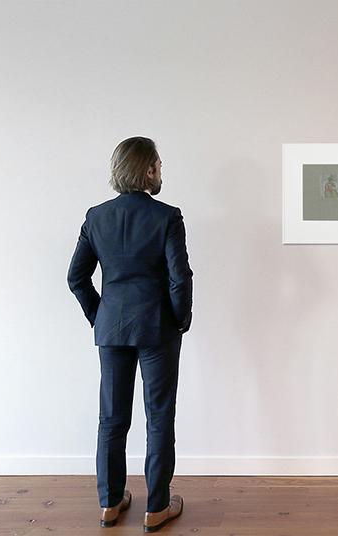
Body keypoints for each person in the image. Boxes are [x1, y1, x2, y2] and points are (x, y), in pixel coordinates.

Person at [68, 137, 193, 533]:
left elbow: (77, 277)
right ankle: (156, 507)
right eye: (159, 164)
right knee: (158, 417)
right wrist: (180, 320)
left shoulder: (96, 216)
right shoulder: (167, 216)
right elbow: (180, 278)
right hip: (157, 328)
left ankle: (110, 503)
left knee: (111, 417)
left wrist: (99, 316)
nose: (161, 171)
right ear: (148, 169)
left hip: (112, 328)